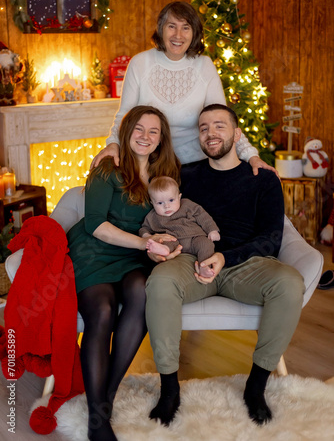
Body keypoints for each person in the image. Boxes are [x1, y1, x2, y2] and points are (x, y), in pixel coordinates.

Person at [145, 104, 305, 427]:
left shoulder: (263, 180)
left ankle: (256, 386)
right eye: (204, 128)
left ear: (237, 133)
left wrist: (224, 258)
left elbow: (272, 239)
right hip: (191, 259)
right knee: (160, 282)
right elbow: (160, 214)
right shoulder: (186, 176)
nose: (211, 133)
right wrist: (157, 247)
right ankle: (169, 388)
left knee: (289, 283)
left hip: (244, 264)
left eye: (219, 126)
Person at [67, 105, 180, 441]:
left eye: (153, 132)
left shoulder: (166, 175)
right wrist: (144, 245)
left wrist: (164, 243)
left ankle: (103, 402)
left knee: (143, 294)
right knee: (101, 312)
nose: (145, 137)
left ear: (161, 140)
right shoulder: (108, 169)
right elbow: (96, 224)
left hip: (133, 256)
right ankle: (98, 421)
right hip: (95, 251)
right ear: (127, 132)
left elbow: (169, 220)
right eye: (139, 130)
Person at [91, 1, 275, 176]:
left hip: (198, 165)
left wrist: (251, 155)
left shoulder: (205, 65)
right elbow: (124, 116)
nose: (178, 35)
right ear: (161, 29)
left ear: (194, 33)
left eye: (185, 27)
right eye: (172, 26)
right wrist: (113, 144)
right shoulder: (140, 63)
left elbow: (222, 120)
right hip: (150, 164)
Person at [139, 176, 220, 278]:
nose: (166, 206)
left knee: (206, 244)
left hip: (194, 238)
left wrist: (212, 230)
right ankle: (163, 249)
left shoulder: (187, 205)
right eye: (160, 203)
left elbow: (203, 216)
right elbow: (144, 228)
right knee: (165, 241)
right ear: (152, 203)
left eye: (171, 200)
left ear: (179, 197)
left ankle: (204, 267)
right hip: (172, 240)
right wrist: (146, 235)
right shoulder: (152, 216)